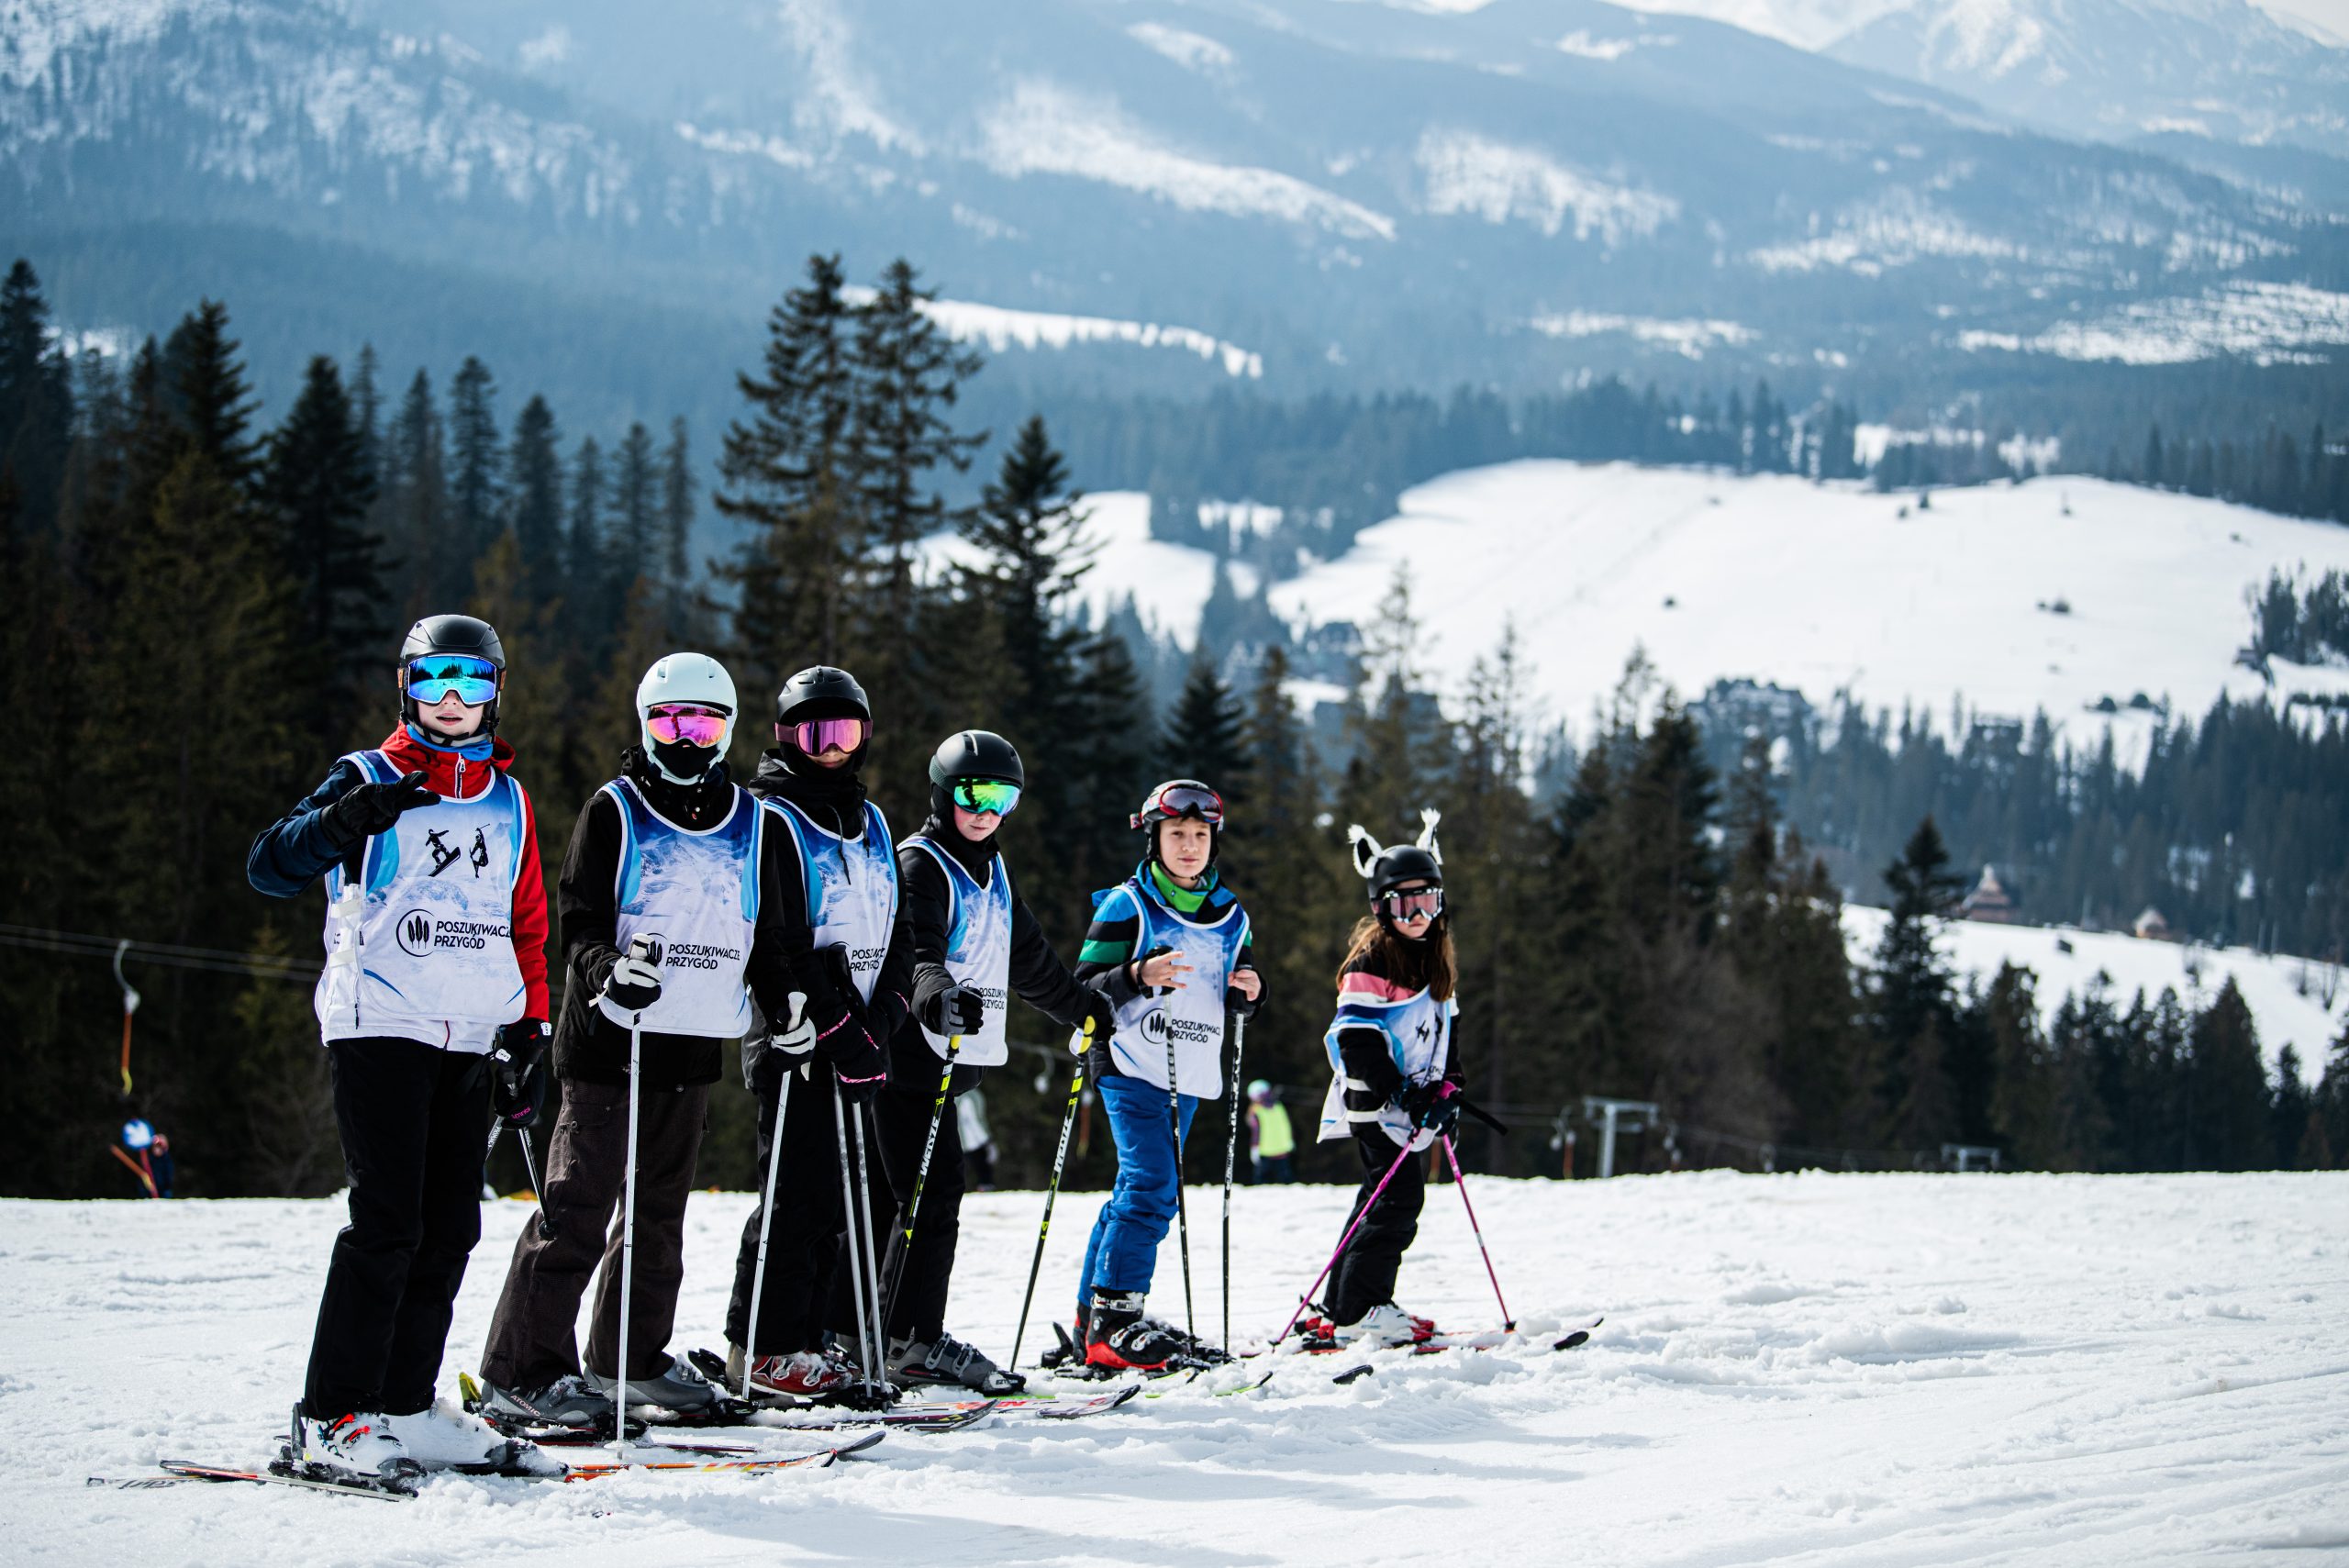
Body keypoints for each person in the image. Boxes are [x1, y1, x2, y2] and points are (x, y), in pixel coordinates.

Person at [247, 614, 556, 1481]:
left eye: (472, 683)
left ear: (495, 693)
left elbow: (525, 920)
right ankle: (333, 1413)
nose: (452, 701)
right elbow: (270, 865)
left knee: (451, 1225)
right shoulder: (367, 775)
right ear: (407, 688)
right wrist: (347, 819)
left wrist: (529, 1027)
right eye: (433, 682)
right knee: (387, 1222)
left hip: (470, 1028)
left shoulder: (510, 797)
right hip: (380, 1020)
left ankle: (404, 1405)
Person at [477, 652, 809, 1424]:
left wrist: (787, 1008)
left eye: (701, 722)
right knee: (577, 1205)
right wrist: (607, 973)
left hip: (692, 1046)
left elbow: (768, 936)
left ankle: (629, 1359)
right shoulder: (616, 809)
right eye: (668, 721)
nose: (684, 737)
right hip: (609, 1041)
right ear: (645, 725)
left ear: (726, 730)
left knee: (657, 1216)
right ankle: (523, 1370)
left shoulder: (758, 824)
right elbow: (579, 920)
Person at [865, 730, 1116, 1395]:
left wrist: (1080, 1006)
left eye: (1002, 798)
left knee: (914, 1197)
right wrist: (935, 997)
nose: (986, 810)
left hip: (946, 1065)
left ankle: (884, 1333)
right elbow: (913, 950)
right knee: (926, 1195)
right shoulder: (922, 863)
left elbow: (1025, 956)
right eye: (974, 794)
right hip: (909, 1057)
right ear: (945, 791)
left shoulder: (991, 869)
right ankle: (905, 1339)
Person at [720, 665, 902, 1402]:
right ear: (786, 736)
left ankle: (809, 1336)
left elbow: (904, 937)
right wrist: (838, 1027)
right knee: (794, 1193)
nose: (830, 749)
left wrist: (879, 1022)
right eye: (813, 733)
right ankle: (761, 1347)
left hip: (859, 1033)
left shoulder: (874, 819)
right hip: (796, 1037)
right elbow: (781, 943)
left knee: (834, 1198)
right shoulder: (772, 816)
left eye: (845, 732)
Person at [1066, 779, 1261, 1372]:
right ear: (1154, 837)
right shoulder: (1127, 905)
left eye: (1200, 835)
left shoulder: (1232, 917)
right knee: (1153, 1185)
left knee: (1138, 1188)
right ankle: (1116, 1321)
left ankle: (1091, 1319)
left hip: (1191, 1067)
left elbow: (1239, 987)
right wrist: (1136, 973)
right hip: (1129, 1061)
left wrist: (1249, 992)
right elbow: (1079, 989)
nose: (1189, 846)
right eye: (1177, 834)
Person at [1306, 810, 1464, 1348]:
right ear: (1381, 907)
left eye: (1427, 900)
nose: (1417, 914)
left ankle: (1340, 1304)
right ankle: (1359, 1311)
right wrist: (1404, 1093)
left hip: (1410, 1106)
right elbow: (1356, 1041)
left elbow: (1446, 1033)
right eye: (1403, 903)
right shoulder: (1373, 960)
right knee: (1397, 1202)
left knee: (1378, 1199)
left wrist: (1449, 1091)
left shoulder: (1433, 960)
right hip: (1377, 1104)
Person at [1245, 1082, 1294, 1184]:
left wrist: (1254, 1147)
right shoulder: (1278, 1106)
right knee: (1285, 1179)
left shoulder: (1256, 1110)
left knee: (1261, 1180)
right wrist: (1290, 1140)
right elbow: (1286, 1125)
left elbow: (1256, 1130)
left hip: (1265, 1150)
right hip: (1282, 1149)